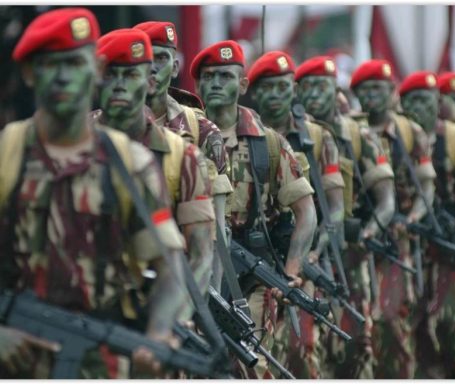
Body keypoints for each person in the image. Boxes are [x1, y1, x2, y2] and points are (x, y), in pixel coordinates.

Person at [0, 8, 186, 379]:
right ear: (29, 73)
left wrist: (159, 333)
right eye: (53, 64)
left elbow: (170, 267)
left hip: (103, 360)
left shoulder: (130, 163)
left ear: (95, 70)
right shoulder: (8, 154)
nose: (66, 76)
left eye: (77, 63)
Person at [190, 40, 317, 379]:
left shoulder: (269, 144)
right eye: (209, 76)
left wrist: (291, 270)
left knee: (252, 368)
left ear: (243, 85)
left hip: (251, 282)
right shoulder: (183, 139)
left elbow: (307, 212)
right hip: (195, 277)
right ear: (198, 85)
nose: (216, 83)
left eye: (225, 76)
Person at [94, 29, 215, 307]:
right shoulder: (74, 149)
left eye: (131, 75)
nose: (120, 85)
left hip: (160, 302)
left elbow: (201, 254)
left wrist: (177, 319)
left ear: (150, 82)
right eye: (110, 75)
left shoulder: (183, 156)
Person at [295, 55, 396, 379]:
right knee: (307, 345)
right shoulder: (289, 135)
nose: (314, 95)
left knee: (357, 340)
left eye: (322, 86)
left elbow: (386, 201)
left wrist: (368, 232)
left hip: (349, 254)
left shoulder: (358, 135)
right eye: (307, 87)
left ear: (334, 89)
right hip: (304, 253)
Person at [246, 50, 344, 379]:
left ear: (294, 89)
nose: (276, 95)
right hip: (252, 260)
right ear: (254, 92)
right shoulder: (240, 137)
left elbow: (334, 211)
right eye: (267, 87)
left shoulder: (317, 138)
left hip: (301, 260)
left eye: (283, 86)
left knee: (305, 354)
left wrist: (310, 255)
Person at [351, 59, 437, 379]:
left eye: (380, 89)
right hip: (357, 237)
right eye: (366, 89)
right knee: (357, 323)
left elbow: (426, 186)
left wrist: (412, 216)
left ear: (392, 93)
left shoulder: (408, 132)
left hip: (396, 237)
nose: (373, 96)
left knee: (392, 317)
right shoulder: (348, 131)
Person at [133, 22, 232, 289]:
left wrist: (208, 300)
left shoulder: (202, 131)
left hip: (181, 279)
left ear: (175, 67)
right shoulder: (99, 127)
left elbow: (217, 231)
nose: (153, 67)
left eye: (162, 58)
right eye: (146, 58)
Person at [399, 70, 455, 378]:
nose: (422, 107)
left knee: (449, 319)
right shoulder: (400, 137)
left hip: (450, 244)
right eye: (414, 100)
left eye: (428, 100)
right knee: (411, 320)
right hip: (411, 242)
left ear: (439, 102)